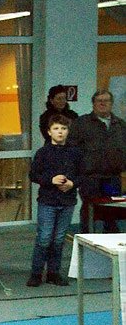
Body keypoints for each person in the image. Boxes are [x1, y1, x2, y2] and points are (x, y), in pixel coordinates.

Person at [26, 114, 83, 288]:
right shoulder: (43, 153)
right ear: (49, 132)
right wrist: (51, 180)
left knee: (59, 239)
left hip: (67, 201)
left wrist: (72, 183)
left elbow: (83, 175)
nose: (60, 132)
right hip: (48, 201)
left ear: (68, 131)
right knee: (44, 237)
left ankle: (53, 273)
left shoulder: (75, 152)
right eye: (56, 128)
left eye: (64, 129)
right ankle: (36, 273)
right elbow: (33, 175)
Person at [69, 90, 125, 233]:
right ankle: (87, 239)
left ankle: (110, 241)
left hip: (113, 178)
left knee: (111, 211)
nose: (103, 103)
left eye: (106, 100)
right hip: (90, 178)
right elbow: (72, 149)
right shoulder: (81, 123)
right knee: (89, 211)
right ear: (93, 103)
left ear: (111, 103)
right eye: (99, 100)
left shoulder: (120, 124)